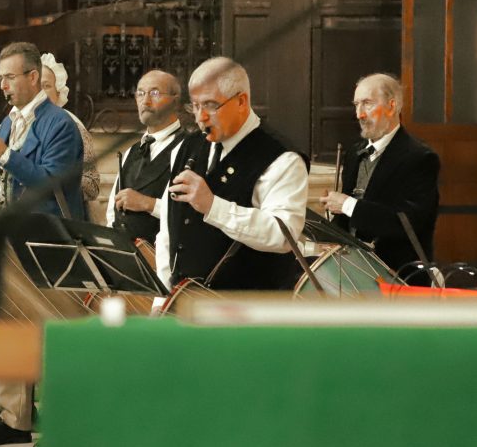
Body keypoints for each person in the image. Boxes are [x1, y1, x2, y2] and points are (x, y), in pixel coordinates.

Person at [0, 41, 84, 447]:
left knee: (52, 333)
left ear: (33, 77)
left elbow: (53, 181)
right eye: (0, 77)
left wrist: (6, 155)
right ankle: (14, 419)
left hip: (47, 241)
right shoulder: (8, 121)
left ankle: (58, 420)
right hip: (7, 241)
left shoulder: (60, 123)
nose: (3, 84)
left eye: (10, 76)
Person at [163, 57, 308, 292]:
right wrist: (165, 291)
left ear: (241, 101)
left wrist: (212, 206)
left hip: (248, 310)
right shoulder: (186, 147)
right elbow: (168, 229)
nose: (200, 118)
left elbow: (283, 235)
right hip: (185, 306)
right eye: (195, 106)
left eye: (210, 105)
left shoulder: (282, 158)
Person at [320, 73, 440, 274]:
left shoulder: (420, 158)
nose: (359, 114)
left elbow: (408, 223)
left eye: (367, 104)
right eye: (356, 104)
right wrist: (329, 234)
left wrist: (347, 204)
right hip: (351, 271)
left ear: (392, 107)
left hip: (398, 274)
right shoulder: (354, 153)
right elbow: (349, 219)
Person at [106, 70, 185, 244]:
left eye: (155, 93)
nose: (145, 100)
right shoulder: (131, 151)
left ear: (175, 100)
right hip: (123, 258)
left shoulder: (189, 148)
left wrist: (148, 204)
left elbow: (191, 214)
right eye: (140, 93)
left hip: (162, 261)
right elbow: (112, 212)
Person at [40, 53, 100, 219]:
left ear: (59, 91)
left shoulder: (73, 126)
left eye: (46, 86)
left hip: (63, 218)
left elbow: (92, 185)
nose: (40, 93)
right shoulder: (13, 124)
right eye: (35, 87)